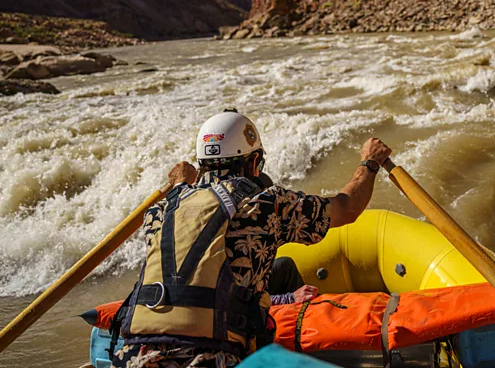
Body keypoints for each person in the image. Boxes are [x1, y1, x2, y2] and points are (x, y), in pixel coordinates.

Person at [113, 109, 391, 368]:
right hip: (212, 357)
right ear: (254, 162)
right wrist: (370, 161)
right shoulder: (266, 203)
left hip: (135, 355)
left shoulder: (159, 212)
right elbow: (347, 207)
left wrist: (178, 185)